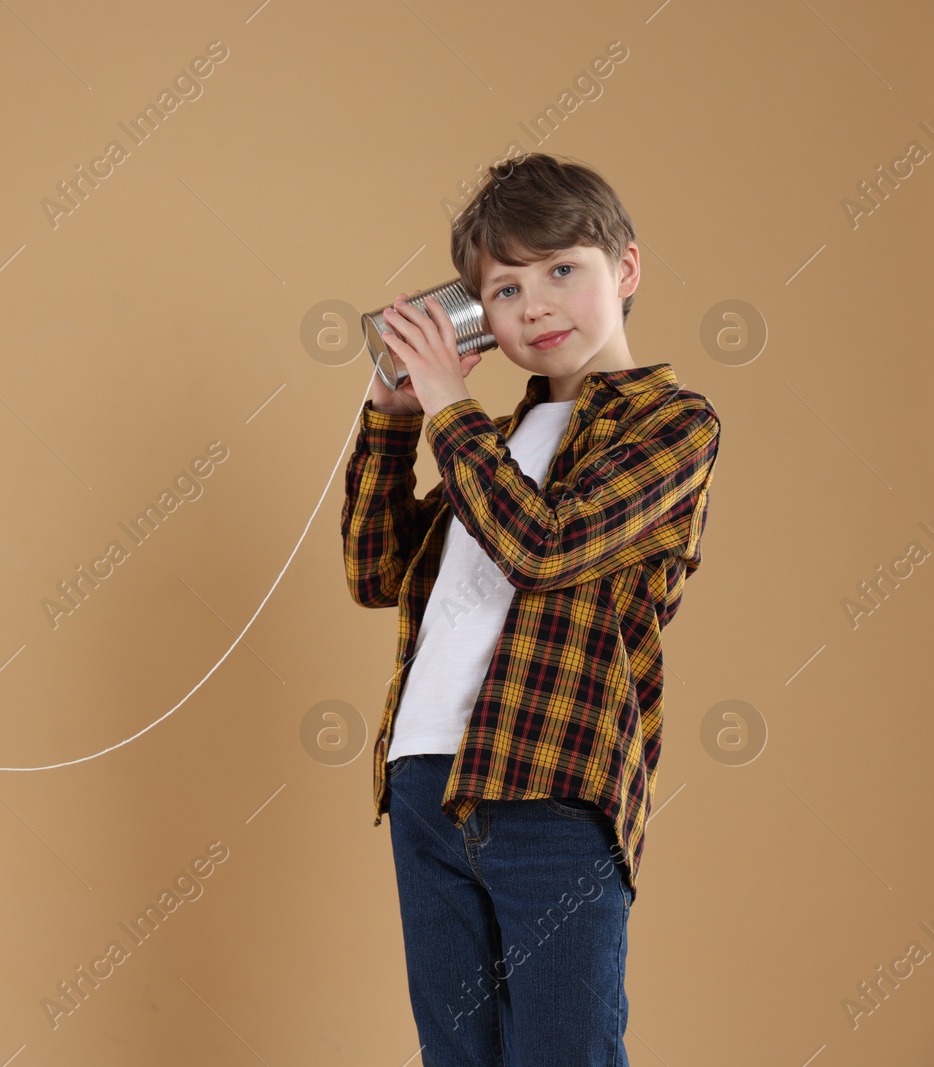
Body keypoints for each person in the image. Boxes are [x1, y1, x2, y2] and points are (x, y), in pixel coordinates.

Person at [341, 152, 721, 1065]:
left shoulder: (672, 426)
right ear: (479, 315)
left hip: (550, 783)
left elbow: (544, 544)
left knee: (564, 1050)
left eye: (562, 270)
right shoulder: (497, 438)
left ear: (624, 271)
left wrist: (447, 404)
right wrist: (398, 416)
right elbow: (375, 567)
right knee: (457, 1054)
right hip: (428, 777)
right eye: (504, 291)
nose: (537, 304)